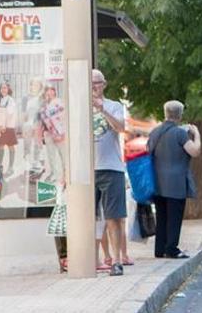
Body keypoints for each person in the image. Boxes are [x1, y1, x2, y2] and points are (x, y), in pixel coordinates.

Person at [148, 100, 200, 259]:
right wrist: (196, 134)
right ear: (180, 114)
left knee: (162, 216)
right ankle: (171, 248)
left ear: (165, 113)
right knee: (174, 217)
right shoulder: (179, 133)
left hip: (157, 181)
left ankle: (159, 249)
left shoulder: (155, 132)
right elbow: (195, 151)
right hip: (176, 183)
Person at [91, 69, 127, 277]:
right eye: (90, 83)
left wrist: (102, 109)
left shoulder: (114, 106)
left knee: (113, 217)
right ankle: (92, 259)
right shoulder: (79, 107)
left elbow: (121, 128)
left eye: (97, 83)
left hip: (111, 167)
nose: (93, 87)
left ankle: (117, 260)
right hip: (88, 169)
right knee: (91, 217)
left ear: (104, 84)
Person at [38, 84, 66, 183]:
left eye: (51, 90)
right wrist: (40, 136)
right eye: (47, 91)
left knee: (63, 154)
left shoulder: (59, 102)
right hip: (48, 133)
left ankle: (66, 175)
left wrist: (62, 133)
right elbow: (41, 122)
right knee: (51, 155)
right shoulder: (43, 106)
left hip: (59, 133)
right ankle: (54, 173)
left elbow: (63, 118)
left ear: (54, 91)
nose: (49, 93)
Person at [0, 82, 18, 176]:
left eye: (5, 88)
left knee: (10, 146)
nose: (3, 90)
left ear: (8, 90)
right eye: (1, 88)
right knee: (1, 145)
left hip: (8, 127)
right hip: (1, 127)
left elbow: (10, 113)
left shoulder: (10, 100)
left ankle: (11, 167)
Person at [21, 78, 44, 169]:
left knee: (37, 144)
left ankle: (36, 161)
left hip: (38, 123)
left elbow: (43, 112)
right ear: (30, 86)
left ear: (40, 86)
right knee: (27, 143)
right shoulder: (25, 98)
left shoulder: (41, 98)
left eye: (37, 84)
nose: (34, 86)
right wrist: (23, 125)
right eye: (33, 84)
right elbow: (23, 113)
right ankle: (27, 161)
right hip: (27, 124)